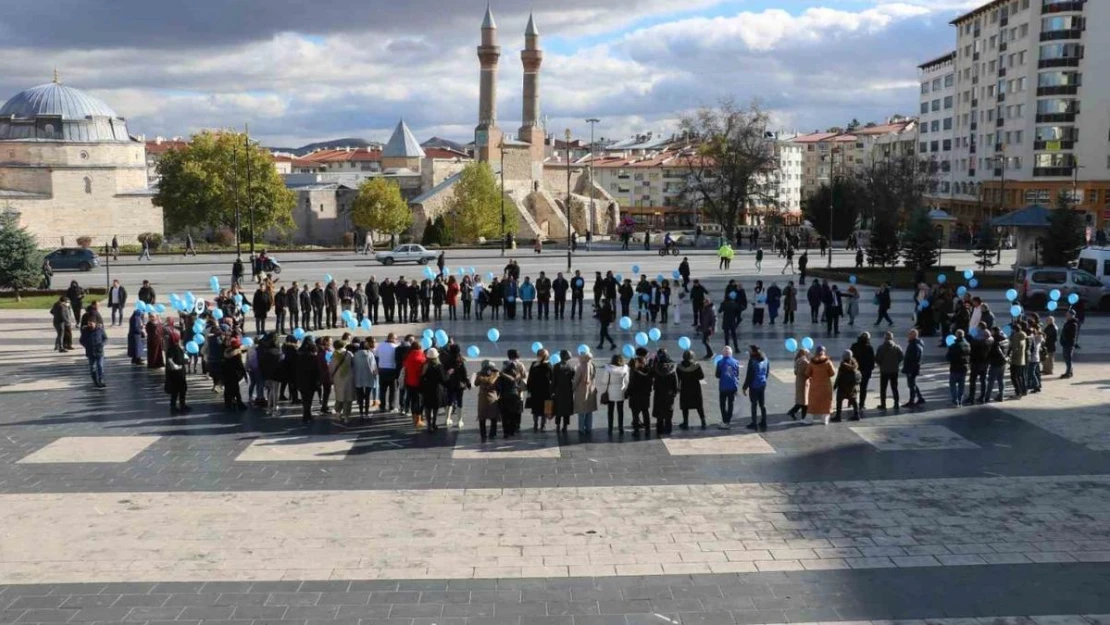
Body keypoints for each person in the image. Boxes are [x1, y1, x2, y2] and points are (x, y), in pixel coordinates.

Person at [805, 345, 836, 425]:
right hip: (826, 385)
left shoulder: (812, 362)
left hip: (815, 385)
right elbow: (832, 373)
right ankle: (824, 420)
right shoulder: (828, 362)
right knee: (826, 402)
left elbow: (807, 373)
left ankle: (809, 419)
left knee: (812, 402)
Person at [675, 350, 705, 429]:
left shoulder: (679, 366)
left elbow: (677, 378)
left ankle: (685, 423)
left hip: (685, 388)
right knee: (699, 405)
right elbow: (701, 376)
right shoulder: (696, 366)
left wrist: (678, 387)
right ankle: (703, 422)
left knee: (685, 406)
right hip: (695, 388)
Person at [419, 348, 448, 432]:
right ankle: (434, 423)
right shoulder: (439, 366)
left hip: (426, 388)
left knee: (427, 407)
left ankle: (429, 424)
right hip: (436, 389)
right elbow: (443, 379)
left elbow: (421, 377)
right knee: (435, 407)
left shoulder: (425, 365)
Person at [742, 345, 770, 431]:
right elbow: (767, 371)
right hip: (762, 383)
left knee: (754, 404)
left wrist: (744, 387)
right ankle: (764, 421)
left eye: (750, 350)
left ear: (753, 352)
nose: (749, 352)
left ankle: (754, 423)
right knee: (762, 404)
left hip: (754, 385)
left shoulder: (752, 361)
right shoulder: (765, 359)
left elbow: (749, 376)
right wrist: (764, 379)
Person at [651, 349, 679, 435]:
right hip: (669, 393)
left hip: (659, 392)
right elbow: (675, 381)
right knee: (668, 411)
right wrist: (675, 391)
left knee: (659, 411)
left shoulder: (656, 367)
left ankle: (659, 429)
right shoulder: (672, 368)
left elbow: (651, 375)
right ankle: (668, 428)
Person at [601, 354, 629, 436]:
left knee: (610, 411)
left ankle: (610, 428)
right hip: (620, 391)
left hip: (610, 392)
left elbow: (604, 381)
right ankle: (621, 428)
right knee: (620, 411)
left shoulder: (608, 369)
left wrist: (604, 390)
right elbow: (627, 381)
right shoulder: (625, 369)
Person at [498, 356, 526, 437]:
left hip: (504, 397)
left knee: (505, 416)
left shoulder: (502, 376)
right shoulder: (517, 375)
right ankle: (512, 430)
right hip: (515, 396)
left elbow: (499, 386)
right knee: (513, 414)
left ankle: (506, 432)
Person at [875, 331, 903, 410]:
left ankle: (883, 404)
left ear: (884, 338)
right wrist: (896, 363)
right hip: (894, 370)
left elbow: (877, 358)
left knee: (883, 388)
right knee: (894, 387)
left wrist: (881, 365)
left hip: (884, 371)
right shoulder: (897, 347)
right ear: (892, 338)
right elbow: (901, 357)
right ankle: (896, 403)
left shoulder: (881, 348)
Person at [714, 346, 740, 429]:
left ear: (723, 354)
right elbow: (737, 374)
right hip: (733, 386)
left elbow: (717, 375)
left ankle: (724, 420)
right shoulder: (736, 362)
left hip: (723, 386)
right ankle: (728, 420)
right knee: (730, 403)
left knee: (722, 404)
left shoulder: (720, 362)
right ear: (731, 354)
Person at [526, 349, 553, 431]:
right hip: (545, 390)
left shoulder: (534, 365)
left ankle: (536, 424)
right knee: (545, 408)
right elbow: (552, 378)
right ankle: (542, 425)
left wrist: (529, 389)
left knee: (536, 408)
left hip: (535, 390)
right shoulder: (549, 365)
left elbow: (530, 378)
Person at [403, 339, 428, 428]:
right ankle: (418, 420)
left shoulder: (408, 356)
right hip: (419, 383)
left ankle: (414, 418)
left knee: (413, 401)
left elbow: (405, 366)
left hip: (409, 382)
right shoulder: (422, 358)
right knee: (419, 402)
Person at [78, 315, 108, 388]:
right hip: (90, 352)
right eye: (89, 323)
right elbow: (81, 340)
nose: (90, 325)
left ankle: (101, 380)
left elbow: (105, 338)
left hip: (99, 351)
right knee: (92, 367)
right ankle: (95, 380)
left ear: (95, 323)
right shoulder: (85, 331)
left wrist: (102, 345)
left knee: (100, 366)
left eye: (91, 323)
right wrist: (86, 345)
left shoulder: (100, 330)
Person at [627, 348, 653, 433]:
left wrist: (628, 392)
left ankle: (636, 430)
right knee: (645, 412)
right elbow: (650, 380)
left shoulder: (633, 368)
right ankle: (647, 430)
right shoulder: (648, 366)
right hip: (645, 393)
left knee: (635, 412)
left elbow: (631, 381)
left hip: (634, 393)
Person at [549, 350, 575, 433]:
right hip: (567, 391)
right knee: (566, 409)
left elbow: (553, 380)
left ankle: (557, 425)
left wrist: (551, 391)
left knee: (558, 409)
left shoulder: (556, 366)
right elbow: (573, 377)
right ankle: (565, 426)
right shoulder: (570, 366)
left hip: (558, 391)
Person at [164, 331, 190, 413]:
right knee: (181, 390)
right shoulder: (176, 349)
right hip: (178, 373)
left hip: (172, 373)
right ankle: (181, 405)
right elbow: (179, 360)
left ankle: (173, 405)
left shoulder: (170, 349)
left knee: (175, 391)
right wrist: (186, 361)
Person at [475, 361, 501, 441]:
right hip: (492, 397)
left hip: (483, 398)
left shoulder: (480, 375)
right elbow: (498, 387)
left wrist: (480, 376)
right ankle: (492, 434)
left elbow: (476, 383)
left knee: (482, 418)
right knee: (493, 417)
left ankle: (483, 435)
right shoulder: (496, 374)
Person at [833, 349, 861, 422]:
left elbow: (838, 377)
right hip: (852, 387)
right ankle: (856, 414)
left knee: (839, 401)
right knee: (854, 401)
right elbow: (858, 378)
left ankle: (838, 416)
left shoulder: (842, 366)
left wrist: (835, 386)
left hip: (842, 387)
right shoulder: (855, 366)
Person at [296, 338, 320, 423]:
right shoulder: (313, 357)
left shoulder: (298, 355)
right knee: (309, 398)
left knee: (304, 398)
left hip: (301, 379)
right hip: (311, 380)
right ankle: (308, 414)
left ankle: (305, 414)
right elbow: (317, 370)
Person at [850, 332, 875, 410]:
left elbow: (850, 358)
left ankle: (851, 402)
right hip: (866, 371)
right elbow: (872, 360)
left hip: (855, 370)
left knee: (852, 387)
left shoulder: (854, 346)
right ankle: (861, 404)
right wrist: (871, 369)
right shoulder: (869, 347)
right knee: (863, 388)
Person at [946, 330, 971, 406]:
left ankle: (955, 399)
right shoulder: (967, 344)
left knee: (953, 384)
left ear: (956, 336)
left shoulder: (954, 345)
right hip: (964, 367)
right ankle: (960, 399)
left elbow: (948, 357)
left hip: (955, 367)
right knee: (961, 385)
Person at [222, 338, 247, 410]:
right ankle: (239, 403)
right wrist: (244, 374)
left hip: (226, 374)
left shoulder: (226, 352)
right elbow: (240, 365)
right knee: (236, 390)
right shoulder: (237, 355)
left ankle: (228, 403)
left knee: (227, 389)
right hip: (234, 374)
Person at [787, 348, 811, 423]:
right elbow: (807, 373)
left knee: (802, 400)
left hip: (799, 381)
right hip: (804, 382)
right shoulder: (805, 362)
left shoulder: (798, 360)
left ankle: (797, 414)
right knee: (804, 401)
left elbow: (796, 372)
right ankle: (795, 413)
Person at [902, 329, 925, 407]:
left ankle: (911, 401)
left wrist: (909, 370)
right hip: (913, 368)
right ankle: (920, 398)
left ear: (914, 335)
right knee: (913, 384)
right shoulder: (916, 344)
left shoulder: (914, 345)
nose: (908, 336)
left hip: (911, 368)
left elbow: (913, 359)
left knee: (911, 385)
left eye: (910, 334)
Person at [1008, 324, 1028, 397]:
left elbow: (1014, 348)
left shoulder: (1016, 336)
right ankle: (1023, 391)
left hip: (1016, 360)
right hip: (1022, 360)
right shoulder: (1023, 335)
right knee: (1020, 376)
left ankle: (1018, 392)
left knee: (1014, 377)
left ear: (1014, 329)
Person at [1060, 309, 1077, 379]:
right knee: (1066, 357)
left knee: (1068, 358)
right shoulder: (1067, 322)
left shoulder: (1073, 324)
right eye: (1066, 315)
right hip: (1065, 343)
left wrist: (1065, 338)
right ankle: (1069, 371)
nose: (1066, 316)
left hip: (1069, 343)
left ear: (1071, 315)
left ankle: (1068, 373)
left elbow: (1071, 334)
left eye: (1068, 315)